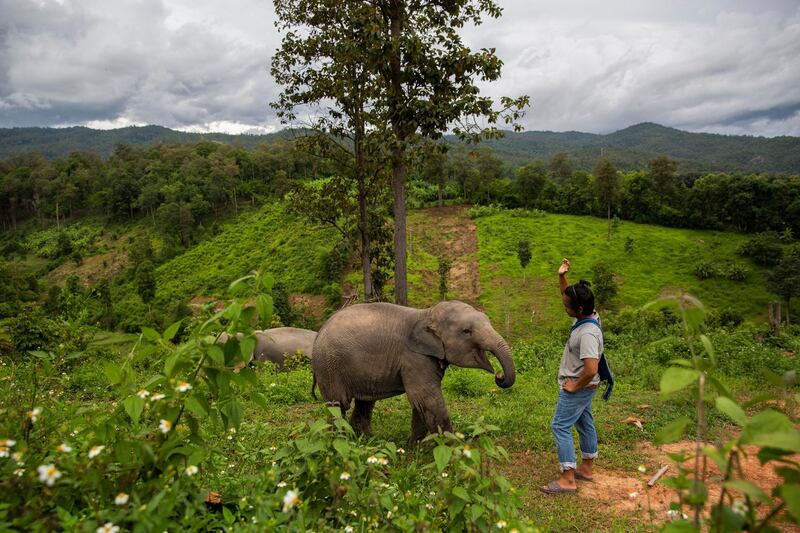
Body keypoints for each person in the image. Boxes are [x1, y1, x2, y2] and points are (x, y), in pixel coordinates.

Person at [541, 258, 603, 494]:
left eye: (567, 305)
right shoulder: (590, 316)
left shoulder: (587, 333)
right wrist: (561, 277)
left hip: (581, 386)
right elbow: (568, 296)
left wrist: (575, 387)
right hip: (588, 387)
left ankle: (568, 478)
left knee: (560, 426)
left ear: (578, 309)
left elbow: (591, 369)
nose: (563, 306)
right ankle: (586, 468)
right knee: (584, 422)